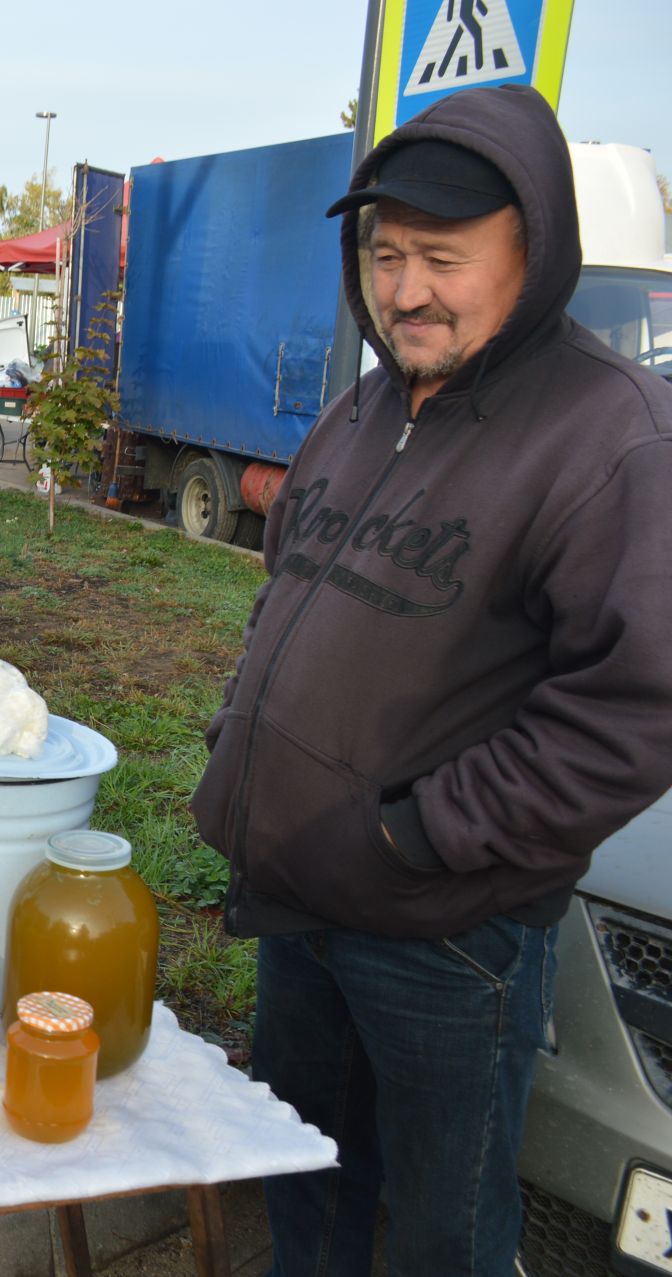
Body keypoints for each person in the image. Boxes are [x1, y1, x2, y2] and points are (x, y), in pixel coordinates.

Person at [190, 84, 672, 1276]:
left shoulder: (612, 437)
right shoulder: (363, 409)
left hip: (446, 935)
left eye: (442, 258)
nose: (404, 289)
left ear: (534, 250)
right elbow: (284, 588)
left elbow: (633, 707)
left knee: (443, 1236)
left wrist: (425, 834)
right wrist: (238, 743)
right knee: (305, 1177)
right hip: (302, 902)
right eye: (385, 253)